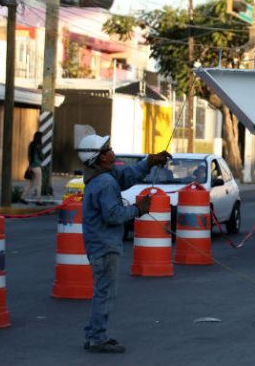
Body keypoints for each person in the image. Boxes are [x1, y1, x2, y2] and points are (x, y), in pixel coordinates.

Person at [76, 134, 171, 354]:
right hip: (105, 245)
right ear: (100, 158)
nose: (112, 151)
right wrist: (138, 209)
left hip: (99, 244)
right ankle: (97, 338)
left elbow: (128, 175)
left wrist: (149, 162)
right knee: (105, 293)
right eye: (107, 149)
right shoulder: (105, 183)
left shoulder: (102, 176)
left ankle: (94, 334)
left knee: (102, 291)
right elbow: (114, 215)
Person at [20, 132, 43, 203]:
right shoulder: (38, 146)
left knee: (31, 183)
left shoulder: (31, 144)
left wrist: (30, 166)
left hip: (32, 166)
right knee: (39, 183)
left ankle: (22, 197)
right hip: (37, 166)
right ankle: (38, 200)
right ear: (39, 138)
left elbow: (29, 157)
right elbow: (42, 156)